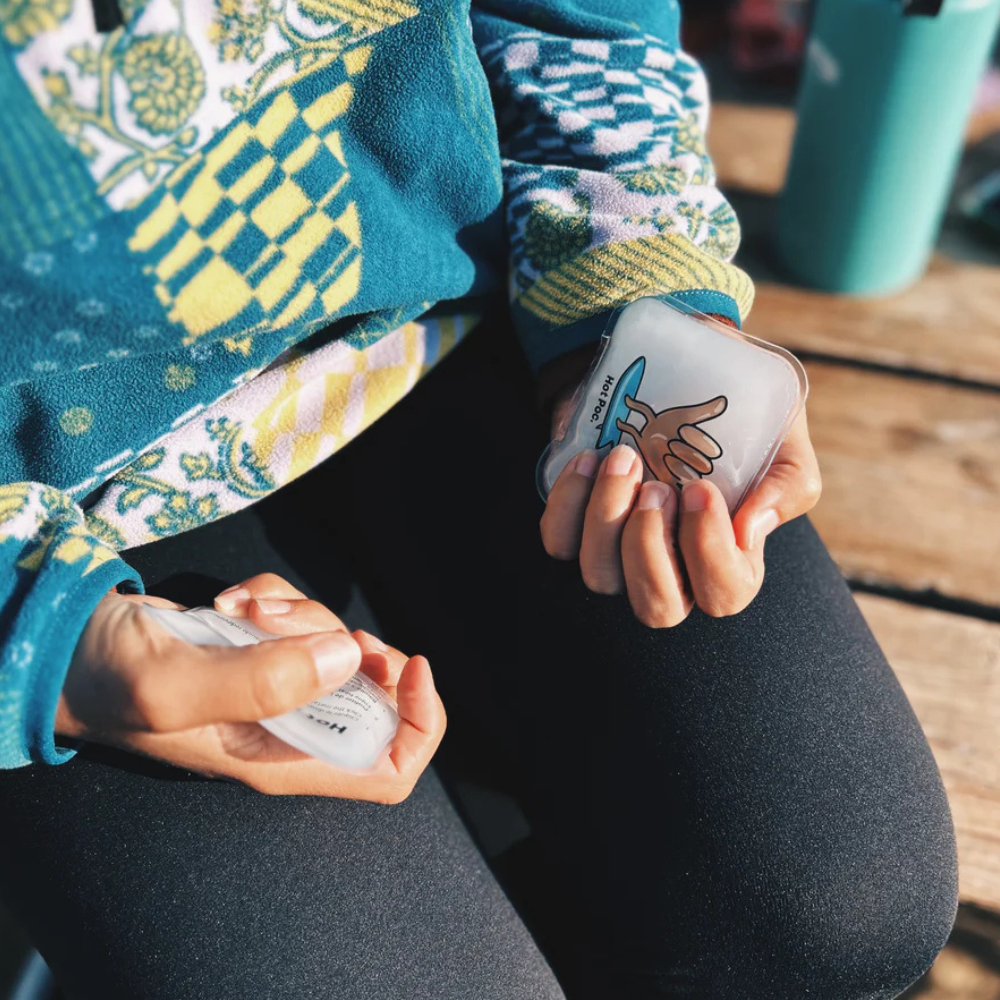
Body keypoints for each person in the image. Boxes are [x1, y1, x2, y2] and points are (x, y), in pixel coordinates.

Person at [0, 0, 957, 997]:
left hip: (450, 286)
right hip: (68, 508)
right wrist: (42, 638)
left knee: (843, 907)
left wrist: (632, 271)